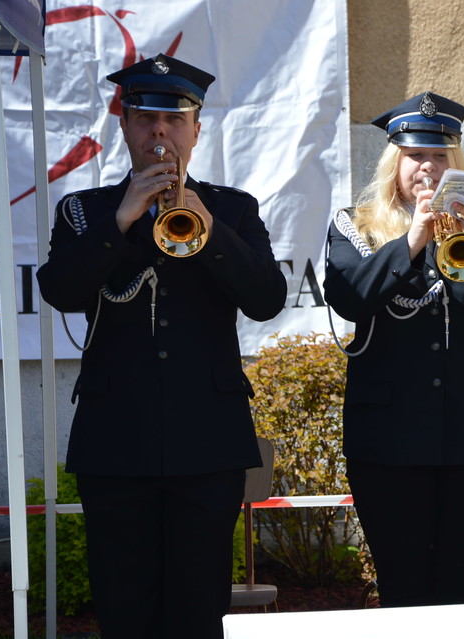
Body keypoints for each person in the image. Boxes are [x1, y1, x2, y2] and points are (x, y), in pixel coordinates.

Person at [36, 53, 287, 639]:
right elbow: (59, 290)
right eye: (145, 117)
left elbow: (267, 299)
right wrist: (121, 221)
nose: (159, 132)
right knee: (123, 604)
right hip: (115, 439)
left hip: (209, 440)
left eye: (174, 120)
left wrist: (210, 229)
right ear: (123, 126)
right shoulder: (85, 211)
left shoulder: (233, 208)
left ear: (196, 131)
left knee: (199, 607)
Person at [324, 91, 464, 607]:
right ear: (394, 162)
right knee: (404, 586)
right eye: (415, 156)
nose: (428, 166)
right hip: (388, 439)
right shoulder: (356, 225)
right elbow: (350, 296)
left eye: (440, 155)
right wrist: (411, 241)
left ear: (456, 160)